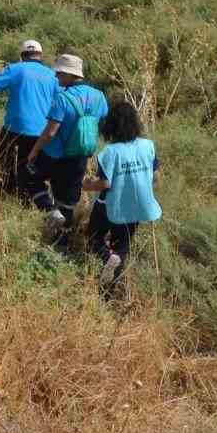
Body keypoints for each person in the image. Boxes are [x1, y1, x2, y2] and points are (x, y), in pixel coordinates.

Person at [24, 54, 109, 248]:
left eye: (60, 74)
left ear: (70, 75)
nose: (57, 77)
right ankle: (61, 246)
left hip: (55, 155)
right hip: (80, 156)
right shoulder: (99, 97)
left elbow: (51, 132)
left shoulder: (63, 98)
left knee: (31, 178)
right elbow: (102, 121)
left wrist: (35, 150)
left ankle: (49, 210)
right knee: (68, 202)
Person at [83, 100, 163, 296]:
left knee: (93, 239)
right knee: (122, 246)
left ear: (111, 125)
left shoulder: (110, 152)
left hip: (111, 205)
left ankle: (106, 257)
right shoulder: (148, 146)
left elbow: (105, 184)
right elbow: (156, 177)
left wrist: (86, 185)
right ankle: (109, 291)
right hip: (138, 206)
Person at [0, 39, 59, 199]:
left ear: (22, 55)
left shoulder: (16, 69)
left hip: (14, 129)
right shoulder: (53, 75)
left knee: (6, 156)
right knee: (29, 164)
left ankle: (8, 188)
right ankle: (28, 195)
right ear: (40, 56)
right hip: (42, 132)